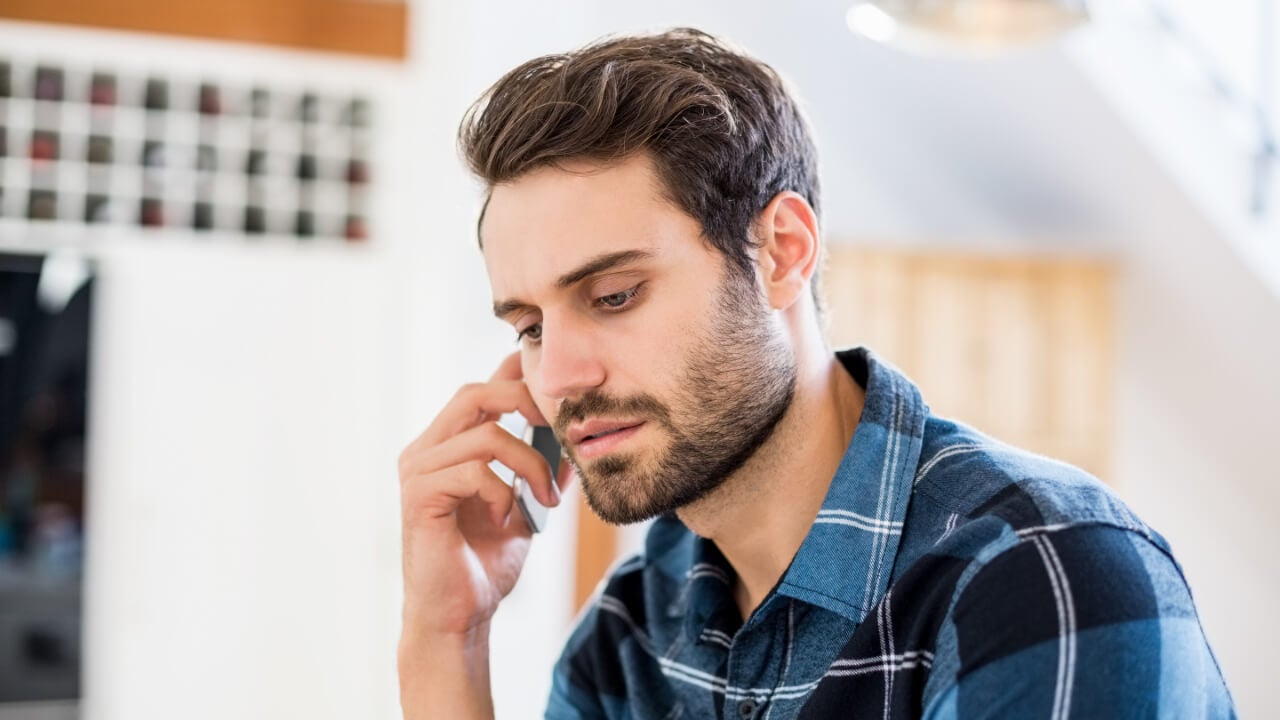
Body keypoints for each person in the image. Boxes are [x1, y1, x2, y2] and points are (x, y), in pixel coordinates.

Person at [396, 28, 1235, 719]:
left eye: (614, 295)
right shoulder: (635, 633)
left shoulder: (1039, 573)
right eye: (532, 327)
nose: (562, 376)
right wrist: (447, 639)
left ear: (782, 254)